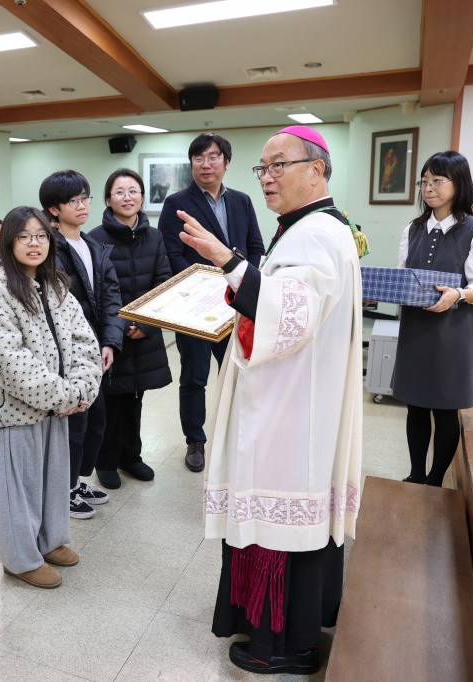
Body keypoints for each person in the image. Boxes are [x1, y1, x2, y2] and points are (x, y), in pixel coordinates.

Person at [178, 126, 363, 675]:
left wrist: (226, 260)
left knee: (281, 521)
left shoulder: (315, 234)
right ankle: (291, 631)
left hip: (290, 410)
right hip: (297, 398)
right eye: (262, 168)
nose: (267, 177)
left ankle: (282, 645)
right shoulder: (310, 227)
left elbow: (289, 316)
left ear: (317, 169)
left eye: (279, 165)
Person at [0, 206, 102, 589]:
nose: (34, 243)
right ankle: (19, 557)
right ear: (7, 241)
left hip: (58, 406)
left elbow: (83, 341)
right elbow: (14, 365)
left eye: (41, 235)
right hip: (19, 410)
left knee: (54, 478)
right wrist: (67, 396)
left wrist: (82, 388)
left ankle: (50, 540)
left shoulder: (56, 283)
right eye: (24, 236)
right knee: (20, 486)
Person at [158, 132, 265, 474]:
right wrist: (204, 284)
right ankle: (195, 440)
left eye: (213, 157)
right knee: (194, 375)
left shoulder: (242, 201)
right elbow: (171, 254)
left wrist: (242, 281)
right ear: (192, 164)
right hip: (196, 307)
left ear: (226, 162)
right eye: (199, 158)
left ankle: (234, 435)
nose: (206, 164)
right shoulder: (177, 202)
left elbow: (255, 246)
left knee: (236, 371)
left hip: (235, 305)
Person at [394, 151, 473, 487]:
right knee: (416, 405)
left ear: (458, 184)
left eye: (438, 180)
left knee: (445, 408)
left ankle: (436, 480)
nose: (429, 188)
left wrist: (459, 293)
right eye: (424, 181)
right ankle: (415, 474)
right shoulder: (413, 229)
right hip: (416, 328)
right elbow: (402, 275)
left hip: (454, 333)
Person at [40, 170, 124, 519]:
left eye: (86, 198)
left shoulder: (93, 245)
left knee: (95, 421)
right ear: (54, 209)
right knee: (73, 425)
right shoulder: (48, 248)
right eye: (73, 200)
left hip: (95, 353)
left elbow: (112, 298)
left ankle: (74, 481)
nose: (83, 205)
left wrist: (111, 341)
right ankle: (64, 488)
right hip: (68, 355)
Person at [89, 169, 172, 489]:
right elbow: (97, 292)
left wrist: (146, 324)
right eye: (120, 192)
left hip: (144, 331)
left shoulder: (154, 236)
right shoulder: (95, 238)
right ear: (108, 199)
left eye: (133, 191)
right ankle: (106, 460)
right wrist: (122, 326)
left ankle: (131, 456)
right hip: (111, 334)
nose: (127, 197)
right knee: (110, 399)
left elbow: (163, 283)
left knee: (135, 396)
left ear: (142, 197)